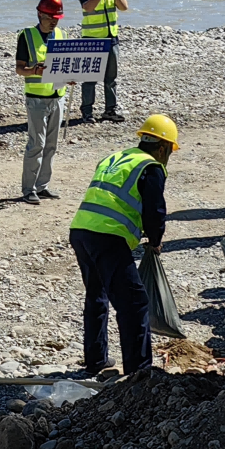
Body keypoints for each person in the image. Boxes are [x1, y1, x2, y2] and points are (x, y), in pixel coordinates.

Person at [68, 114, 177, 375]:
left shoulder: (115, 158)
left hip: (81, 230)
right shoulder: (150, 167)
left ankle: (96, 361)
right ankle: (138, 372)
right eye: (170, 151)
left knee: (97, 295)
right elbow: (155, 209)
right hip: (108, 237)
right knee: (134, 303)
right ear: (162, 147)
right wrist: (155, 239)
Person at [16, 0, 68, 204]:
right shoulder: (27, 36)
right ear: (40, 14)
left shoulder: (62, 35)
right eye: (50, 16)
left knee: (52, 144)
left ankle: (42, 186)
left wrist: (70, 77)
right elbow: (20, 69)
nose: (54, 20)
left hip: (58, 97)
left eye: (57, 16)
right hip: (36, 99)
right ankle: (29, 189)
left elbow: (65, 65)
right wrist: (34, 70)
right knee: (36, 144)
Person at [78, 0, 128, 123]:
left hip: (111, 39)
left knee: (111, 78)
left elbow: (124, 7)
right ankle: (87, 112)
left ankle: (110, 110)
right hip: (92, 42)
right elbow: (88, 7)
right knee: (90, 79)